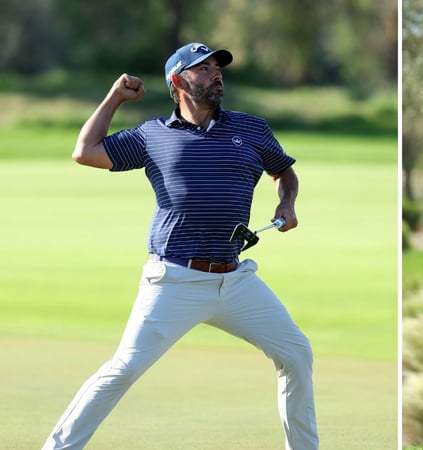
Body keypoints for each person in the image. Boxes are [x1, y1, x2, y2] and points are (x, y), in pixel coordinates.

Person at [43, 42, 319, 450]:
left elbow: (283, 171)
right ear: (178, 81)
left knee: (297, 354)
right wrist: (115, 97)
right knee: (123, 369)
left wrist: (287, 201)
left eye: (216, 68)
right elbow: (85, 152)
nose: (215, 74)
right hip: (173, 279)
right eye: (203, 69)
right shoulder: (152, 135)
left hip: (235, 280)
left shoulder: (252, 128)